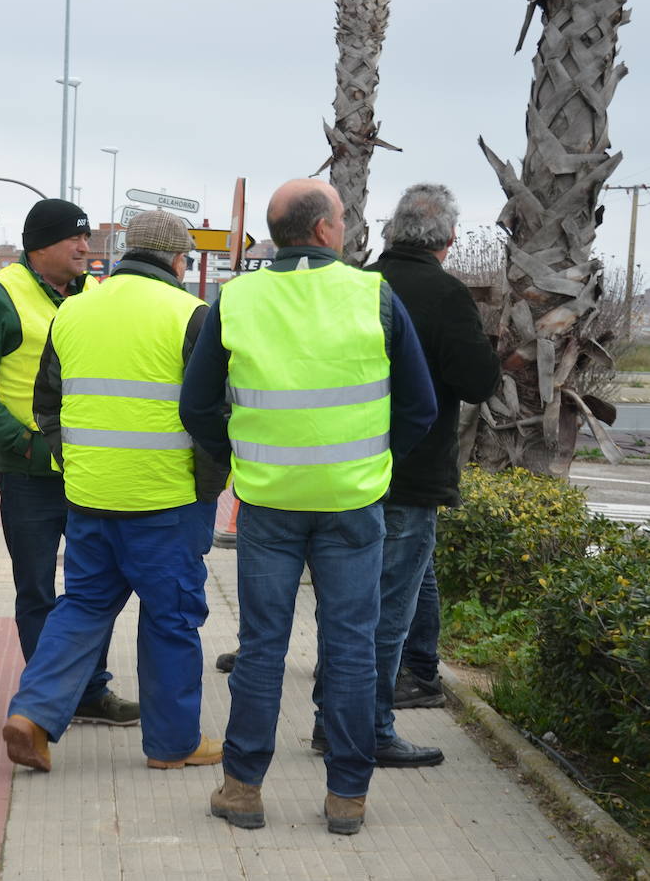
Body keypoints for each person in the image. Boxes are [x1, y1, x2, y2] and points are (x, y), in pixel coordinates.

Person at [182, 179, 436, 836]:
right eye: (343, 217)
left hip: (268, 501)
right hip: (353, 501)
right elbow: (420, 407)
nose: (346, 226)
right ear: (324, 230)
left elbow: (197, 405)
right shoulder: (373, 294)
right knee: (351, 648)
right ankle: (346, 798)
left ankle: (242, 790)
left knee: (262, 647)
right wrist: (375, 466)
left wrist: (239, 457)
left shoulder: (234, 299)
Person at [3, 210, 227, 773]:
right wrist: (209, 483)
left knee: (82, 606)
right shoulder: (192, 315)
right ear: (179, 260)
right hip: (165, 500)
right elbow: (212, 414)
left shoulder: (74, 310)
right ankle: (174, 744)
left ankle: (31, 714)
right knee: (170, 616)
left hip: (89, 495)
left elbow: (46, 404)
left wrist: (72, 460)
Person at [0, 198, 138, 727]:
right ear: (40, 248)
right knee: (36, 587)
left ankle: (91, 691)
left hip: (88, 469)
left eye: (86, 238)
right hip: (28, 472)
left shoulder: (96, 293)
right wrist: (21, 441)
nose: (85, 248)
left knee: (93, 586)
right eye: (73, 240)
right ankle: (49, 699)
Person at [368, 184, 500, 718]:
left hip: (352, 461)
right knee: (396, 589)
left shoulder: (361, 284)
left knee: (408, 571)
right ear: (447, 240)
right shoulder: (446, 294)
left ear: (391, 232)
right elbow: (477, 382)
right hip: (416, 466)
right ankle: (394, 690)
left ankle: (420, 669)